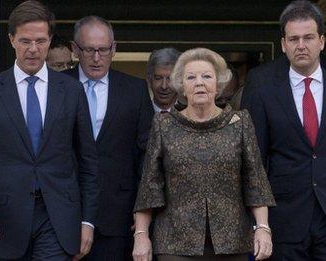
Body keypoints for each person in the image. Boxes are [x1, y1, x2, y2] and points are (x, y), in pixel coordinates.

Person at [240, 1, 326, 260]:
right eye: (293, 39)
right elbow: (254, 162)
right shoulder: (265, 92)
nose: (301, 45)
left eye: (308, 37)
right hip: (285, 219)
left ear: (322, 42)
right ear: (283, 45)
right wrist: (258, 223)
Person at [0, 1, 98, 260]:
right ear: (11, 39)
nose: (33, 49)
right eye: (25, 41)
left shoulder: (71, 91)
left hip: (58, 217)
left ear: (49, 41)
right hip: (6, 218)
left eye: (40, 41)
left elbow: (88, 161)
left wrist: (88, 221)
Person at [133, 47, 276, 261]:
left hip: (231, 242)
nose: (199, 82)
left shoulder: (240, 123)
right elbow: (150, 185)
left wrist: (263, 228)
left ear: (218, 83)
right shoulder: (164, 125)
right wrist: (141, 235)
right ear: (182, 85)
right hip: (175, 242)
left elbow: (255, 181)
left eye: (206, 76)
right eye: (191, 77)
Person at [63, 15, 154, 260]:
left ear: (114, 49)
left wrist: (142, 209)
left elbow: (146, 156)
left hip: (117, 214)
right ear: (74, 49)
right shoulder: (58, 87)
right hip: (64, 212)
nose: (96, 58)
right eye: (89, 49)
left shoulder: (134, 90)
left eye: (103, 50)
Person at [146, 47, 181, 113]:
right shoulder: (135, 114)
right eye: (158, 78)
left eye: (170, 79)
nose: (164, 86)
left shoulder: (193, 116)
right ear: (149, 80)